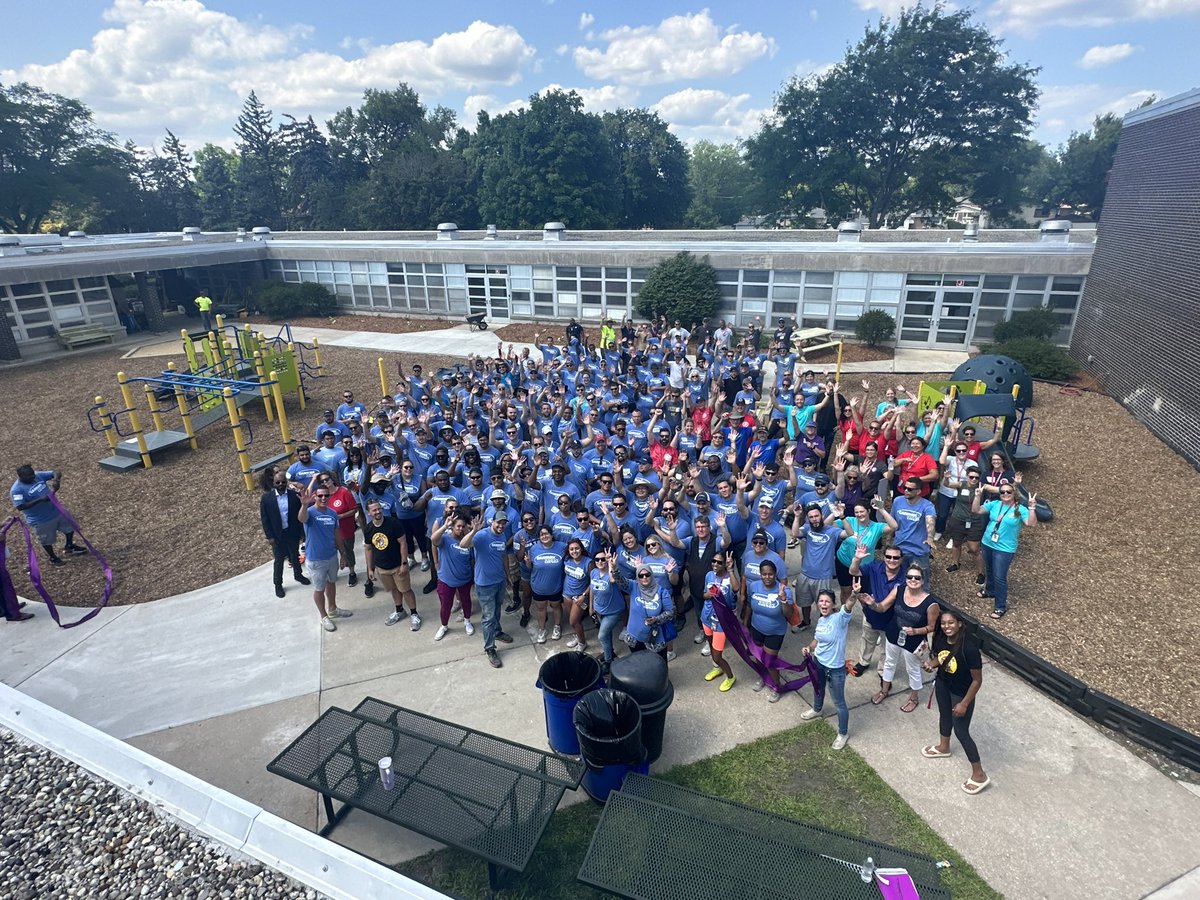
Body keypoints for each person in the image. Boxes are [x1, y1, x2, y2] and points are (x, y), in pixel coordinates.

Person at [922, 609, 989, 794]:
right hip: (944, 684)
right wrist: (931, 664)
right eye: (943, 623)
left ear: (960, 624)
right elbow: (941, 656)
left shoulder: (969, 648)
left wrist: (964, 703)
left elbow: (977, 680)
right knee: (944, 715)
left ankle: (979, 774)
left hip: (961, 693)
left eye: (951, 623)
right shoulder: (942, 638)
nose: (946, 627)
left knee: (961, 730)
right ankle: (944, 747)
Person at [871, 565, 940, 713]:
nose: (913, 580)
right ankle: (884, 691)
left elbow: (932, 627)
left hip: (913, 642)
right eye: (909, 577)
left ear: (922, 581)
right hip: (893, 635)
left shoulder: (931, 603)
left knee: (913, 670)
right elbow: (882, 607)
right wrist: (872, 604)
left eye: (917, 578)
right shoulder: (899, 590)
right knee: (889, 663)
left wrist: (916, 631)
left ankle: (914, 698)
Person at [801, 587, 859, 750]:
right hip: (818, 662)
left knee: (839, 703)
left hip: (836, 670)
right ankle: (817, 709)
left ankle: (843, 733)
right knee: (818, 690)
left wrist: (854, 595)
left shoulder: (840, 619)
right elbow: (817, 641)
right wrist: (809, 648)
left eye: (827, 601)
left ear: (833, 605)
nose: (823, 603)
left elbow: (848, 605)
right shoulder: (821, 621)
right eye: (821, 601)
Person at [972, 478, 1037, 619]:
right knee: (989, 569)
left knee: (999, 577)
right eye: (1002, 492)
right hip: (988, 543)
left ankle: (1000, 606)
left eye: (1008, 492)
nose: (1005, 494)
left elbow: (1031, 524)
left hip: (1005, 548)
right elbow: (976, 510)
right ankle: (989, 590)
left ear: (1014, 493)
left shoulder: (1020, 509)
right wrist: (977, 496)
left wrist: (1032, 507)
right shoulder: (995, 504)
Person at [298, 480, 351, 632]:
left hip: (331, 556)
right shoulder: (310, 513)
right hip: (315, 559)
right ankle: (323, 616)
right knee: (319, 588)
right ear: (315, 496)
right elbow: (301, 519)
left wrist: (343, 554)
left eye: (326, 496)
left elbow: (337, 535)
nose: (323, 499)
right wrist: (303, 505)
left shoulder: (332, 514)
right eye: (320, 496)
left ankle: (333, 609)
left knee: (331, 583)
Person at [463, 511, 514, 668]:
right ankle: (490, 648)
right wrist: (474, 530)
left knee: (497, 610)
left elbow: (503, 555)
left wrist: (508, 575)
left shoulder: (503, 535)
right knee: (488, 616)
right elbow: (463, 544)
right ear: (492, 522)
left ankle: (497, 632)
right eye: (498, 523)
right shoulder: (482, 535)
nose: (500, 526)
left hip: (499, 581)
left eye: (503, 523)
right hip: (484, 583)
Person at [10, 465, 86, 569]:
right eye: (29, 476)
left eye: (32, 474)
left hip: (56, 511)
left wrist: (56, 480)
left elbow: (56, 471)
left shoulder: (37, 475)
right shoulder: (16, 490)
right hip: (41, 520)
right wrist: (40, 499)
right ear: (21, 476)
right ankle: (53, 557)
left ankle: (69, 546)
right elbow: (20, 506)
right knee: (47, 540)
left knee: (70, 528)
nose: (33, 477)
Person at [363, 498, 421, 631]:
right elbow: (368, 549)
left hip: (397, 566)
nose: (378, 512)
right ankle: (399, 610)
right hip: (382, 567)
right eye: (374, 510)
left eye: (379, 508)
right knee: (393, 590)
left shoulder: (393, 523)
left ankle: (414, 614)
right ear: (369, 513)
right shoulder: (368, 529)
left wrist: (404, 563)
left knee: (405, 590)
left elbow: (403, 543)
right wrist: (370, 569)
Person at [742, 559, 795, 702]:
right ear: (760, 574)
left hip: (775, 632)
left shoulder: (784, 590)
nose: (767, 577)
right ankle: (763, 678)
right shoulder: (753, 586)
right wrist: (745, 622)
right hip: (756, 628)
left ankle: (777, 687)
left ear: (775, 574)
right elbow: (749, 605)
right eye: (764, 574)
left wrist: (783, 600)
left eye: (770, 574)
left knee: (770, 662)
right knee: (759, 658)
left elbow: (788, 614)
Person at [259, 468, 311, 598]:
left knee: (295, 555)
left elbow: (298, 516)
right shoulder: (266, 499)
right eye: (278, 483)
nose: (281, 484)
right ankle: (278, 584)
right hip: (277, 535)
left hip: (291, 532)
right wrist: (270, 537)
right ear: (273, 483)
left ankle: (298, 575)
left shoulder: (294, 496)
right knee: (279, 560)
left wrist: (301, 533)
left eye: (283, 482)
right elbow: (265, 519)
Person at [430, 512, 475, 641]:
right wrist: (445, 526)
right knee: (446, 605)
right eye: (458, 526)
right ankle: (444, 626)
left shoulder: (468, 540)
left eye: (463, 527)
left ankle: (467, 621)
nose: (460, 529)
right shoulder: (444, 539)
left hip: (464, 579)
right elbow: (433, 540)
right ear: (453, 526)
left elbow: (472, 559)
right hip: (446, 579)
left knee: (466, 601)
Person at [701, 551, 739, 692]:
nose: (715, 564)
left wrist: (731, 570)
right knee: (711, 646)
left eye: (719, 562)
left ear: (725, 563)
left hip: (721, 622)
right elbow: (704, 595)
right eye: (714, 561)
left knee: (717, 656)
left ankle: (730, 677)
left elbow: (736, 589)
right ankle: (717, 669)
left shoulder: (730, 578)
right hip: (707, 617)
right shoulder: (709, 575)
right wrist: (708, 594)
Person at [525, 525, 567, 644]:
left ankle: (557, 626)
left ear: (552, 534)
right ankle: (542, 629)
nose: (544, 536)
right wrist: (527, 562)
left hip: (555, 586)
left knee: (556, 606)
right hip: (539, 587)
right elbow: (530, 567)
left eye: (546, 533)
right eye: (541, 535)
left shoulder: (562, 547)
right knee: (541, 608)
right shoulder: (534, 549)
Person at [626, 564, 674, 660]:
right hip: (635, 637)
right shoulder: (633, 586)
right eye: (641, 575)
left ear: (651, 575)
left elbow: (670, 612)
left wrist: (657, 619)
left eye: (647, 574)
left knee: (659, 664)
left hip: (655, 638)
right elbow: (620, 580)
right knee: (640, 663)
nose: (644, 577)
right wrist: (613, 568)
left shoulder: (662, 591)